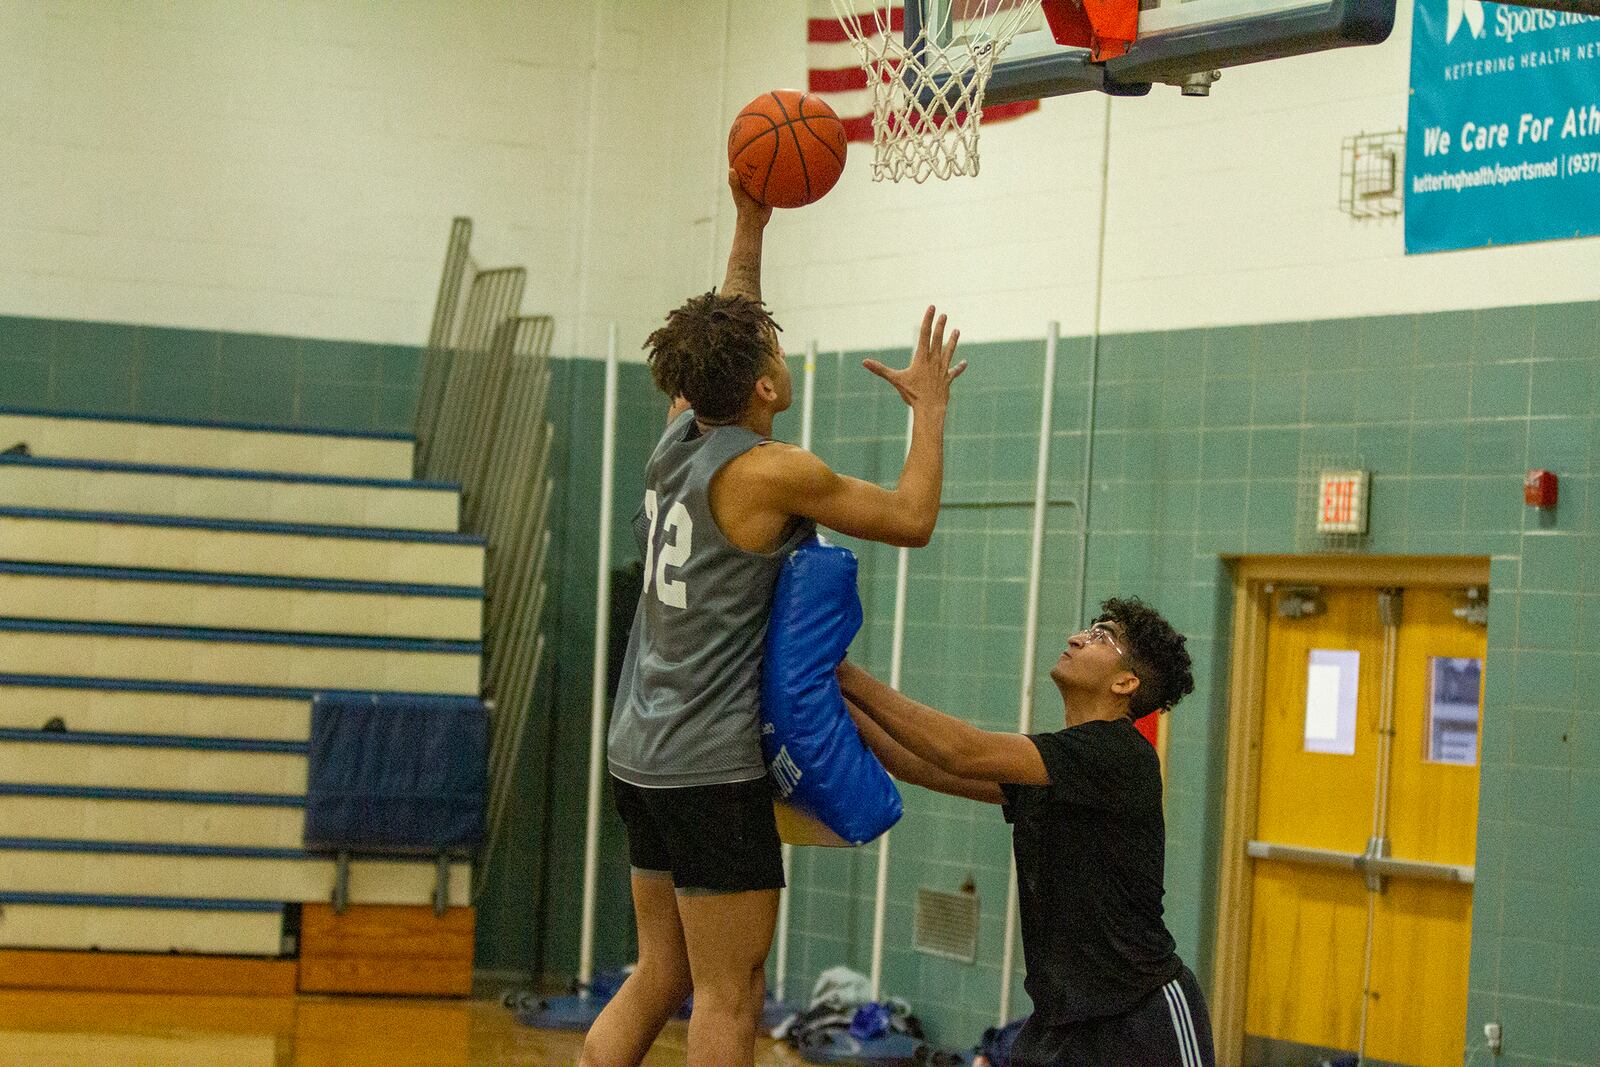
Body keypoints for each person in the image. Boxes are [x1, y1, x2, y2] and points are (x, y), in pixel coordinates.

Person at [579, 169, 966, 1067]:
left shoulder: (678, 432)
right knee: (729, 992)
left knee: (659, 972)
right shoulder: (771, 471)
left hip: (638, 751)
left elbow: (730, 324)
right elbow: (911, 518)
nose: (779, 355)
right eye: (773, 353)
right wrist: (931, 413)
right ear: (760, 386)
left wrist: (751, 225)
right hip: (708, 767)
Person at [837, 597, 1214, 1067]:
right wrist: (827, 692)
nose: (1078, 637)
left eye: (1102, 636)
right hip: (1061, 1023)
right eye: (1088, 628)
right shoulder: (1056, 766)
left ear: (1126, 682)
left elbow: (959, 752)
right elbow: (915, 764)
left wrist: (844, 672)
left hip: (1141, 1020)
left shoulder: (1119, 754)